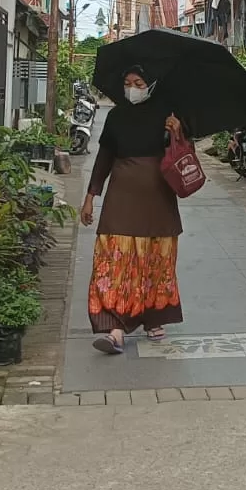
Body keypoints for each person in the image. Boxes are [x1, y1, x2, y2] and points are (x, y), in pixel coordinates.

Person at [79, 65, 186, 353]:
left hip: (159, 200)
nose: (132, 88)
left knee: (156, 260)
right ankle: (115, 329)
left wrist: (177, 132)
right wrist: (90, 196)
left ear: (150, 84)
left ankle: (153, 318)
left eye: (138, 82)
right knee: (113, 261)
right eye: (127, 82)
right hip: (121, 199)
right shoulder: (116, 116)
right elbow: (104, 158)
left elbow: (181, 156)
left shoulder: (168, 115)